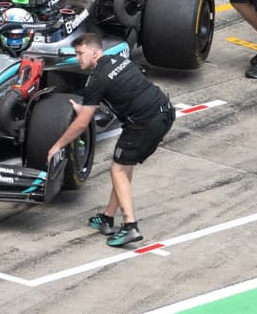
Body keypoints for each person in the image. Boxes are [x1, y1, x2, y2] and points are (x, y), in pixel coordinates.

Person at [46, 32, 174, 248]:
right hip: (165, 111)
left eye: (81, 53)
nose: (78, 58)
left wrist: (57, 145)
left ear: (95, 52)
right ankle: (107, 217)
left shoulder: (96, 80)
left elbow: (81, 124)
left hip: (144, 123)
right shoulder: (120, 60)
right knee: (124, 168)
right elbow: (117, 98)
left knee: (117, 169)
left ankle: (130, 227)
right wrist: (84, 109)